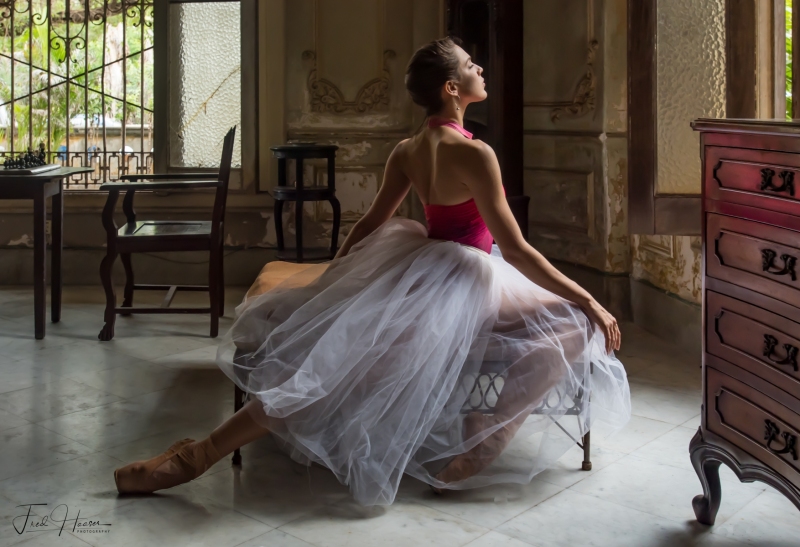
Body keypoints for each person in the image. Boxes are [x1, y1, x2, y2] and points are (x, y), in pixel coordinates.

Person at [113, 36, 631, 506]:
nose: (482, 72)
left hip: (423, 266)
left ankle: (199, 453)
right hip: (468, 276)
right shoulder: (476, 154)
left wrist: (335, 278)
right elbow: (515, 250)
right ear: (453, 89)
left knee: (327, 371)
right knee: (574, 322)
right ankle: (488, 431)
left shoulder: (407, 150)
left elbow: (369, 224)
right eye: (474, 66)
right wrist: (591, 298)